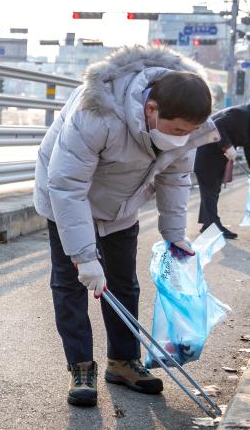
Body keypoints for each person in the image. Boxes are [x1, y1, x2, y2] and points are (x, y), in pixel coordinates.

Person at [34, 46, 218, 407]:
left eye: (189, 132)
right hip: (66, 196)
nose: (183, 138)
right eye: (177, 129)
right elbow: (67, 185)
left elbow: (177, 178)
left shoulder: (185, 124)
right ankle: (81, 367)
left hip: (121, 204)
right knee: (71, 284)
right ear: (151, 109)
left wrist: (175, 234)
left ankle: (122, 361)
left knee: (123, 282)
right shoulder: (98, 112)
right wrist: (84, 257)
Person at [193, 99, 250, 239]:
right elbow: (217, 125)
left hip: (220, 156)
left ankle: (208, 224)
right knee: (209, 189)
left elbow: (249, 146)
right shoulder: (240, 114)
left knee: (214, 189)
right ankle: (214, 226)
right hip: (208, 152)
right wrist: (227, 146)